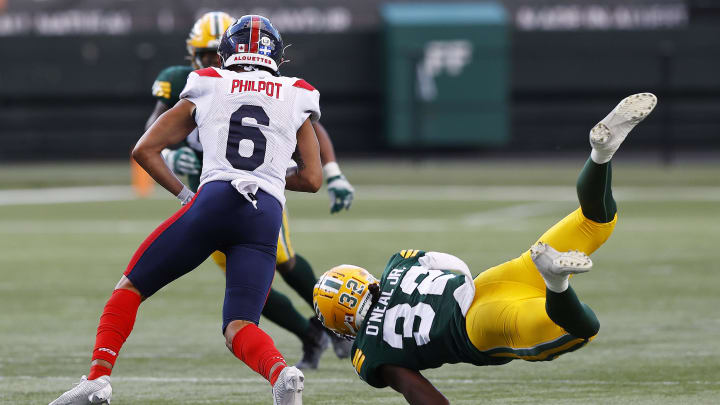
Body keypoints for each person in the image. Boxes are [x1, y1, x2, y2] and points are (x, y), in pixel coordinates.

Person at [312, 93, 658, 404]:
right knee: (595, 221)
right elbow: (451, 262)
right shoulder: (396, 266)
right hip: (491, 281)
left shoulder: (370, 351)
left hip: (481, 326)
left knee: (582, 329)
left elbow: (427, 398)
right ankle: (601, 154)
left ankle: (556, 281)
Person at [50, 15, 322, 405]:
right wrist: (273, 178)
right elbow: (312, 179)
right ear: (276, 56)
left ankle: (97, 379)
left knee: (129, 288)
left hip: (215, 199)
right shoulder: (297, 93)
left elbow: (144, 149)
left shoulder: (208, 82)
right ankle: (281, 373)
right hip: (265, 214)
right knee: (239, 325)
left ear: (229, 50)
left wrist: (185, 196)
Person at [146, 11, 354, 369]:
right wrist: (169, 152)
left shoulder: (263, 85)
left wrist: (331, 171)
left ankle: (330, 324)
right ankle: (310, 333)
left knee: (283, 258)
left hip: (258, 189)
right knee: (240, 278)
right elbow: (151, 131)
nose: (213, 60)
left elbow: (309, 127)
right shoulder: (192, 81)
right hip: (207, 198)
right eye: (206, 54)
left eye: (217, 53)